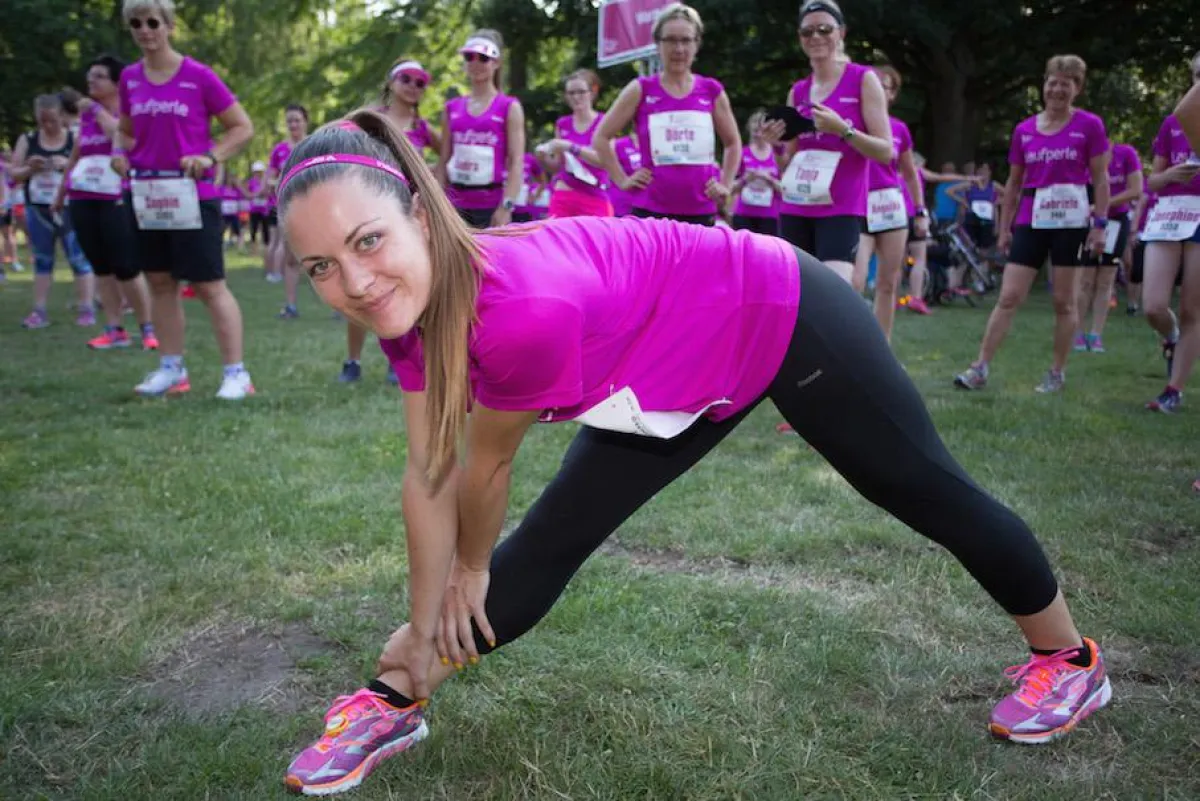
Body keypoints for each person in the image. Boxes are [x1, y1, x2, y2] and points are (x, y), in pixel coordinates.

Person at [274, 108, 1111, 797]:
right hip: (668, 370)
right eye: (321, 266)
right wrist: (425, 622)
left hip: (778, 311)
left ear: (418, 217)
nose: (353, 281)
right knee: (543, 548)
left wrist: (462, 572)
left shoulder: (516, 311)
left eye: (368, 241)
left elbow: (481, 471)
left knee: (926, 489)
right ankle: (398, 697)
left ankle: (1070, 659)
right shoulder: (403, 303)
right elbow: (427, 476)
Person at [115, 0, 255, 399]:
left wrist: (211, 157)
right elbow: (126, 133)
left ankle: (236, 373)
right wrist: (119, 155)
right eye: (136, 24)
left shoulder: (199, 76)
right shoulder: (129, 78)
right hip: (146, 194)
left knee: (210, 284)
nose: (145, 30)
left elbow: (242, 128)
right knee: (159, 283)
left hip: (192, 194)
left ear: (170, 26)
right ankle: (171, 369)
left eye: (153, 22)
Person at [954, 55, 1110, 394]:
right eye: (1052, 82)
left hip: (1071, 223)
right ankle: (979, 367)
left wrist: (1100, 224)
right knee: (1009, 295)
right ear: (1044, 85)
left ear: (1077, 89)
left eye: (1065, 83)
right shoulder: (1024, 130)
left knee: (1063, 301)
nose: (1056, 89)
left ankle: (1056, 372)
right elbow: (1013, 184)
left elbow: (1100, 179)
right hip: (1030, 221)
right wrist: (1005, 227)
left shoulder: (1089, 126)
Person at [764, 0, 893, 285]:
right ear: (800, 38)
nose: (816, 37)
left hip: (841, 207)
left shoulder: (862, 79)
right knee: (796, 297)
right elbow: (789, 162)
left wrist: (843, 130)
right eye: (808, 32)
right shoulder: (797, 92)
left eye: (825, 29)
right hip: (796, 206)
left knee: (835, 295)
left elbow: (886, 151)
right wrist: (775, 145)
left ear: (841, 33)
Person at [593, 3, 740, 227]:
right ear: (657, 44)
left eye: (686, 40)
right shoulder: (641, 89)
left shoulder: (711, 90)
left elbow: (732, 143)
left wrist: (726, 185)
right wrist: (622, 180)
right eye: (670, 40)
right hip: (651, 211)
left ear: (696, 43)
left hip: (700, 210)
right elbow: (601, 138)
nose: (678, 48)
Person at [51, 54, 157, 351]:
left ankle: (147, 327)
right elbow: (76, 155)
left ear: (115, 83)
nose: (90, 81)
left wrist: (96, 110)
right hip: (83, 197)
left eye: (98, 76)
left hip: (116, 197)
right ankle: (114, 329)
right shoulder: (86, 117)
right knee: (100, 266)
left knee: (126, 265)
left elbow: (122, 137)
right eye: (89, 76)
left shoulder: (128, 111)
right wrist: (60, 194)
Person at [1139, 51, 1200, 413]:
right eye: (1197, 74)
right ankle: (1171, 337)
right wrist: (1171, 177)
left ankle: (1173, 389)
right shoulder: (1174, 122)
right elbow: (1153, 180)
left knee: (1193, 307)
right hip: (1168, 215)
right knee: (1153, 305)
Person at [9, 94, 96, 329]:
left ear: (62, 117)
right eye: (42, 121)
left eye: (52, 120)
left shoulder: (74, 138)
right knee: (43, 259)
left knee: (78, 258)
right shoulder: (28, 139)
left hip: (69, 207)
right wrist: (29, 167)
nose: (47, 125)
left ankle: (86, 308)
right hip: (38, 208)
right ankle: (39, 311)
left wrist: (65, 164)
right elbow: (14, 174)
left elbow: (91, 171)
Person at [854, 65, 929, 333]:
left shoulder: (899, 129)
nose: (877, 89)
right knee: (855, 281)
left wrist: (920, 210)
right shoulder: (851, 124)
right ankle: (851, 347)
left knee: (889, 284)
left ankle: (882, 350)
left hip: (891, 209)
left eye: (884, 86)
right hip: (859, 207)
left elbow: (911, 175)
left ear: (892, 94)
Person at [437, 30, 525, 229]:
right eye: (469, 57)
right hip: (455, 205)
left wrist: (506, 207)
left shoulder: (509, 107)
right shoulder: (451, 108)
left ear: (496, 62)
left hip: (491, 206)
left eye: (483, 58)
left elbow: (516, 162)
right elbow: (444, 159)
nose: (476, 63)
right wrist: (439, 203)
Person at [1075, 141, 1142, 353]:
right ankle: (1078, 332)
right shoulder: (1083, 157)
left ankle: (1096, 335)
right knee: (1085, 279)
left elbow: (1136, 190)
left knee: (1105, 279)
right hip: (1088, 221)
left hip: (1116, 221)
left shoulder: (1126, 154)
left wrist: (1104, 204)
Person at [535, 69, 613, 219]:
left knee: (597, 241)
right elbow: (557, 166)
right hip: (565, 193)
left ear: (592, 92)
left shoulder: (604, 122)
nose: (576, 97)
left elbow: (606, 162)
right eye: (571, 93)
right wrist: (543, 158)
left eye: (581, 92)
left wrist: (571, 147)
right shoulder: (562, 124)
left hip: (594, 195)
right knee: (558, 240)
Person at [273, 103, 311, 318]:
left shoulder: (315, 144)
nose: (293, 124)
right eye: (289, 121)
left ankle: (340, 307)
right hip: (287, 207)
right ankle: (291, 305)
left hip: (316, 207)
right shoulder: (279, 150)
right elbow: (272, 176)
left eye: (297, 120)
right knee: (290, 258)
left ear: (305, 121)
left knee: (330, 255)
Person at [729, 110, 781, 236]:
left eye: (760, 130)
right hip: (743, 214)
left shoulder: (777, 154)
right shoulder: (742, 153)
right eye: (754, 130)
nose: (758, 134)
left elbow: (785, 189)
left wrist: (769, 179)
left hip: (770, 216)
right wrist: (745, 179)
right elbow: (729, 188)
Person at [246, 161, 269, 260]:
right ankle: (253, 250)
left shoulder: (266, 182)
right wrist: (256, 194)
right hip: (254, 210)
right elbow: (248, 194)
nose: (258, 174)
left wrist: (264, 193)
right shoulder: (251, 182)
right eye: (256, 172)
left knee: (265, 231)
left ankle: (266, 250)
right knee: (253, 230)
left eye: (260, 171)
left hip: (264, 210)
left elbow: (269, 193)